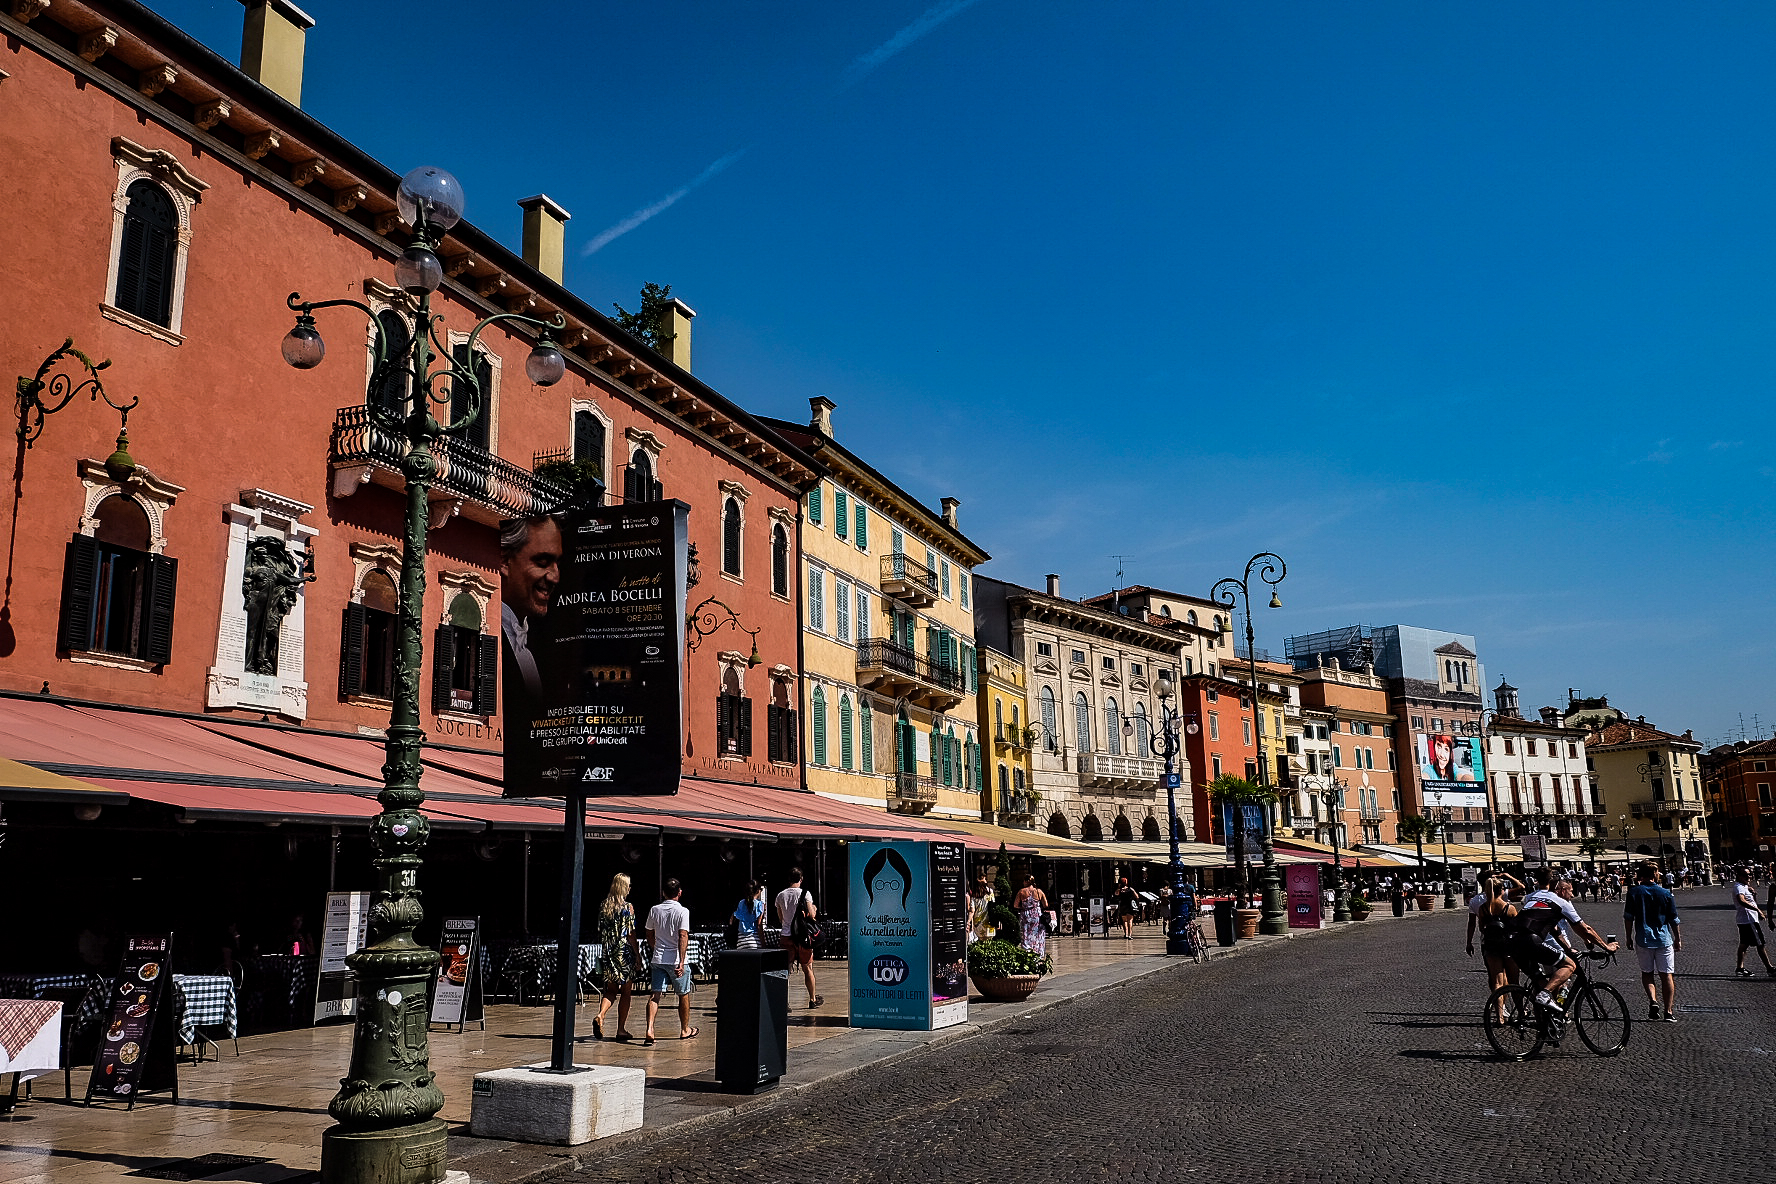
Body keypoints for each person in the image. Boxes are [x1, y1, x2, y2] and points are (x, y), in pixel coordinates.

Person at [499, 514, 564, 778]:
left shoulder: (529, 649)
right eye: (542, 562)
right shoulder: (499, 635)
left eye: (556, 563)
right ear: (504, 561)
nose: (555, 577)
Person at [1512, 871, 1618, 1011]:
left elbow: (1555, 931)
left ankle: (1544, 1028)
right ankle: (1546, 997)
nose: (1573, 895)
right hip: (1532, 941)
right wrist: (1606, 947)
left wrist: (1568, 949)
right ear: (1561, 890)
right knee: (1569, 966)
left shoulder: (1535, 897)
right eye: (1571, 891)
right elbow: (1585, 929)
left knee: (1542, 984)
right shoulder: (1561, 902)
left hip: (1512, 941)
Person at [1623, 861, 1681, 1021]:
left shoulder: (1634, 892)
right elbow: (1673, 919)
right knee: (1667, 976)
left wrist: (1628, 936)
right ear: (1655, 874)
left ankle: (1653, 1001)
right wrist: (1678, 939)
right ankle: (1668, 1012)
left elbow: (1628, 918)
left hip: (1643, 938)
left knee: (1647, 973)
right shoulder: (1665, 893)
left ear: (1641, 874)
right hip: (1664, 939)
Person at [642, 879, 697, 1044]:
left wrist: (655, 948)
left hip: (659, 957)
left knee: (655, 994)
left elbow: (649, 933)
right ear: (679, 893)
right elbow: (683, 935)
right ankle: (684, 1029)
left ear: (663, 892)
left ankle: (650, 1028)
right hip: (675, 960)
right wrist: (681, 961)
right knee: (683, 994)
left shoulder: (654, 910)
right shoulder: (683, 911)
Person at [593, 873, 643, 1041]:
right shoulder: (628, 907)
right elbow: (631, 933)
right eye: (628, 885)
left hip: (608, 952)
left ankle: (601, 1015)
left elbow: (600, 930)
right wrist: (637, 955)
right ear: (623, 887)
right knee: (626, 992)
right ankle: (621, 1029)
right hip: (623, 952)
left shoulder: (604, 905)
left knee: (611, 990)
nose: (630, 888)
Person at [1467, 871, 1523, 1016]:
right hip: (1509, 946)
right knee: (1513, 981)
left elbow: (1477, 926)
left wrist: (1469, 941)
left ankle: (1500, 1015)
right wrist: (1508, 876)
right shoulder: (1508, 906)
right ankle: (1521, 1012)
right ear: (1501, 889)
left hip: (1490, 945)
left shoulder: (1479, 905)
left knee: (1496, 980)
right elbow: (1518, 928)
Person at [774, 867, 822, 1008]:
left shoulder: (780, 896)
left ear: (788, 879)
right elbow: (812, 916)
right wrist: (813, 909)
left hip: (786, 935)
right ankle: (812, 999)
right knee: (807, 968)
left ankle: (784, 1002)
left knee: (785, 970)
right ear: (801, 879)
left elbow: (781, 918)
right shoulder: (805, 894)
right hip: (802, 937)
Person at [1730, 867, 1776, 978]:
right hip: (1748, 920)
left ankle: (1740, 968)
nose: (1749, 877)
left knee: (1744, 944)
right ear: (1740, 876)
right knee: (1760, 944)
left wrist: (1753, 895)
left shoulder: (1744, 887)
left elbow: (1750, 902)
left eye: (1750, 874)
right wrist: (1758, 910)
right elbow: (1741, 900)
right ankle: (1769, 969)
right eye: (1747, 875)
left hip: (1746, 920)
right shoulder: (1738, 887)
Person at [1014, 874, 1050, 959]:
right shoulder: (1039, 891)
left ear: (1026, 881)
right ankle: (1038, 954)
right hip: (1037, 916)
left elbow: (1015, 905)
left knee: (1026, 935)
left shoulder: (1021, 892)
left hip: (1025, 916)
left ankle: (1027, 953)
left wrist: (1023, 907)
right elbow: (1046, 905)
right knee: (1037, 935)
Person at [731, 880, 766, 950]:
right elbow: (759, 925)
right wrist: (763, 944)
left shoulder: (741, 903)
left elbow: (731, 921)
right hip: (754, 941)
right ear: (758, 891)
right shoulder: (760, 904)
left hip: (741, 941)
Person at [966, 878, 992, 944]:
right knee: (989, 943)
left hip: (978, 923)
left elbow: (972, 910)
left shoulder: (974, 896)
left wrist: (968, 922)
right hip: (990, 921)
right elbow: (994, 906)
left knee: (980, 943)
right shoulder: (990, 893)